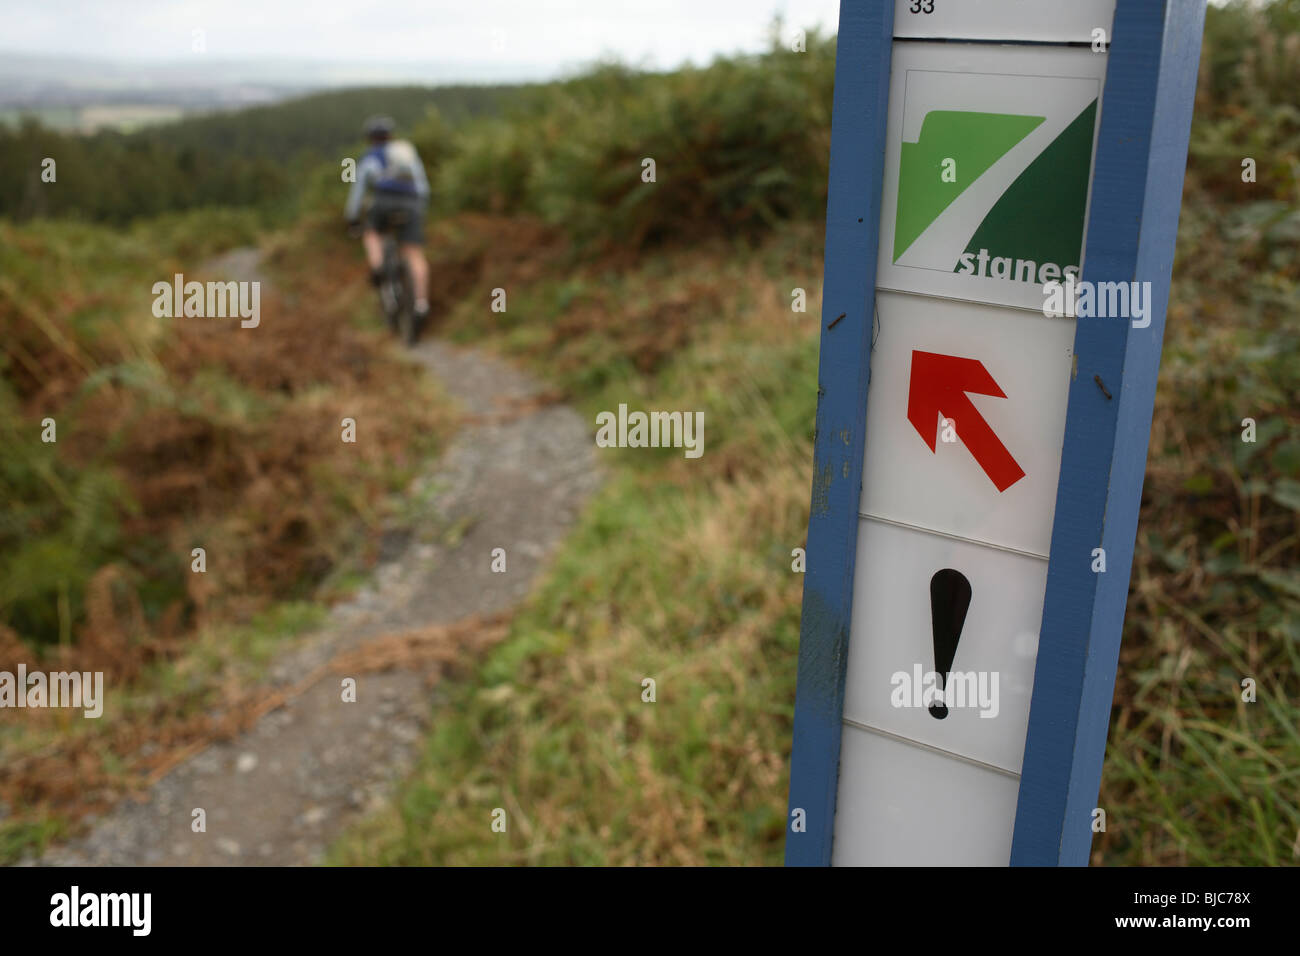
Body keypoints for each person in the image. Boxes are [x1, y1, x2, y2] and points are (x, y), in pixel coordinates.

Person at [344, 115, 431, 335]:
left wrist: (352, 217)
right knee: (414, 254)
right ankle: (421, 304)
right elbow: (422, 185)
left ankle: (378, 268)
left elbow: (358, 191)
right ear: (390, 135)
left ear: (370, 138)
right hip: (412, 204)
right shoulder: (406, 152)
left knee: (371, 233)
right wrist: (420, 209)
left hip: (382, 202)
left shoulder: (370, 157)